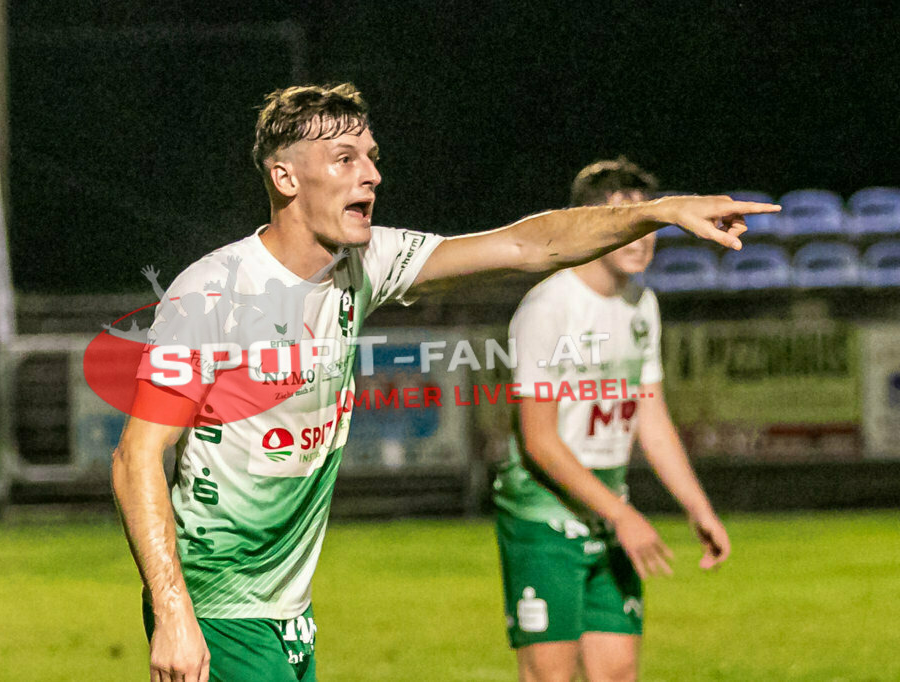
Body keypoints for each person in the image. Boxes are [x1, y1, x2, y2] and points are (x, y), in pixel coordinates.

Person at [110, 85, 770, 682]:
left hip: (287, 606)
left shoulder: (363, 262)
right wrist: (173, 611)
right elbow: (137, 455)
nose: (370, 172)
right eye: (344, 159)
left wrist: (658, 212)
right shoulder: (216, 292)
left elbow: (527, 246)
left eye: (370, 156)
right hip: (218, 602)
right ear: (285, 176)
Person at [492, 158, 732, 682]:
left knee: (618, 672)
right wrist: (623, 517)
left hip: (608, 503)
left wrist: (696, 507)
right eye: (626, 224)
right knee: (550, 676)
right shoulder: (548, 307)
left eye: (648, 225)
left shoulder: (641, 303)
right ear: (589, 224)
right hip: (544, 515)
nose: (641, 239)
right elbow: (539, 442)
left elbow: (651, 415)